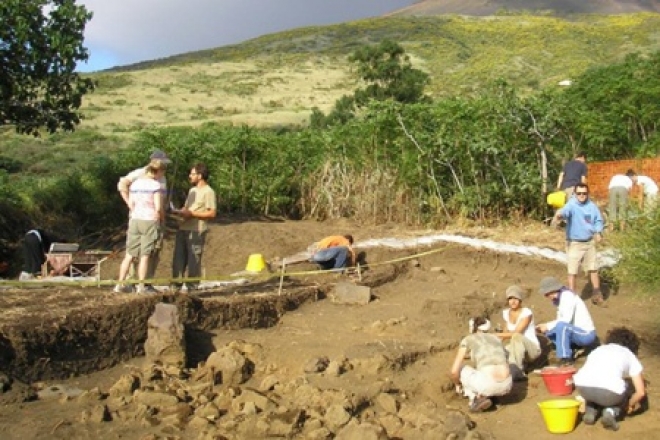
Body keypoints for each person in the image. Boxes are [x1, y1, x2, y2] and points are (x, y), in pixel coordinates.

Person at [117, 149, 171, 290]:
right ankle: (133, 283)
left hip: (149, 217)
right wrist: (129, 203)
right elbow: (122, 184)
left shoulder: (162, 178)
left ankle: (146, 282)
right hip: (147, 218)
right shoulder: (139, 174)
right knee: (141, 253)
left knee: (153, 251)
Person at [574, 327, 646, 431]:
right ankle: (611, 412)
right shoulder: (629, 354)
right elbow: (641, 393)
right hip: (609, 395)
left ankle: (590, 410)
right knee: (626, 386)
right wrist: (628, 405)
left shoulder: (598, 349)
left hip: (583, 387)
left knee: (596, 385)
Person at [550, 183, 605, 304]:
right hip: (574, 243)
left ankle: (596, 292)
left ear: (587, 194)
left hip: (589, 242)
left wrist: (598, 232)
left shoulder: (592, 207)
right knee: (572, 270)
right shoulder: (572, 205)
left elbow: (598, 221)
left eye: (584, 193)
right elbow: (565, 211)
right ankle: (572, 296)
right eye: (579, 193)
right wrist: (559, 215)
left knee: (593, 268)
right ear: (575, 194)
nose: (582, 196)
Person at [450, 317, 512, 413]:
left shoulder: (468, 339)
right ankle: (490, 395)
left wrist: (457, 385)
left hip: (487, 385)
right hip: (507, 385)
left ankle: (475, 399)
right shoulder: (496, 338)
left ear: (472, 328)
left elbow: (454, 371)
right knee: (485, 371)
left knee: (461, 369)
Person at [171, 163, 217, 293]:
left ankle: (192, 288)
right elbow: (187, 208)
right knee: (178, 260)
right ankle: (175, 287)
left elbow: (212, 213)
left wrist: (192, 214)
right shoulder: (192, 191)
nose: (189, 176)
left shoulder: (209, 192)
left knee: (193, 260)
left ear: (200, 175)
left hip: (197, 230)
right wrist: (178, 212)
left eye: (192, 174)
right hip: (183, 228)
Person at [536, 276, 597, 367]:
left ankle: (565, 358)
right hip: (575, 331)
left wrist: (547, 325)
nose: (546, 297)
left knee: (561, 326)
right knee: (549, 331)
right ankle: (572, 348)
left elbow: (565, 320)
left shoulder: (567, 296)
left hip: (586, 334)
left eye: (546, 294)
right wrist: (545, 328)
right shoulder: (560, 300)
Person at [494, 285, 541, 381]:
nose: (513, 301)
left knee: (516, 337)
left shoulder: (526, 313)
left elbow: (516, 333)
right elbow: (504, 334)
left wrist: (495, 335)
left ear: (520, 300)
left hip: (532, 350)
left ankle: (518, 370)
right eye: (510, 298)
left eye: (515, 298)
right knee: (500, 350)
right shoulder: (507, 313)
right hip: (517, 348)